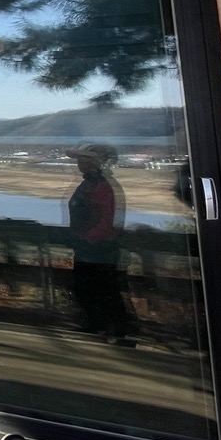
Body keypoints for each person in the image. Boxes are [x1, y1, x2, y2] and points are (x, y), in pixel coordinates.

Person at [65, 143, 133, 343]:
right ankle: (99, 327)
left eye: (84, 159)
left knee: (104, 289)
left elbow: (108, 220)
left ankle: (116, 331)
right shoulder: (92, 183)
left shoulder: (101, 185)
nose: (79, 163)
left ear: (94, 162)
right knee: (86, 289)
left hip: (99, 248)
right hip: (89, 247)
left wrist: (88, 239)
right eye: (79, 159)